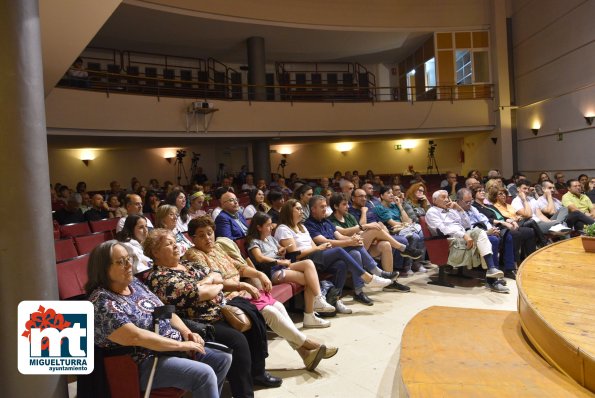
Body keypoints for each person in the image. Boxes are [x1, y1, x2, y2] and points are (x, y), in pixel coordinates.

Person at [185, 217, 337, 374]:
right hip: (226, 299)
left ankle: (304, 353)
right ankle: (311, 345)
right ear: (192, 238)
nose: (208, 238)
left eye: (210, 233)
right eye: (201, 235)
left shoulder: (217, 248)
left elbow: (240, 267)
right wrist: (239, 282)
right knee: (270, 312)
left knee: (277, 305)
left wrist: (259, 274)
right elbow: (213, 282)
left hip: (241, 291)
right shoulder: (194, 255)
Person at [86, 240, 232, 398]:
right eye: (120, 262)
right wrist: (180, 346)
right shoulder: (101, 302)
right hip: (140, 362)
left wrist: (187, 332)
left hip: (167, 350)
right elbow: (136, 336)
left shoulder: (134, 284)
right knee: (204, 374)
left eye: (128, 259)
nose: (129, 265)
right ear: (103, 269)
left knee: (222, 358)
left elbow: (164, 311)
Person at [143, 229, 274, 395]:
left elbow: (217, 275)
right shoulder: (159, 277)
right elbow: (201, 293)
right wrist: (212, 284)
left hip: (221, 310)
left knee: (254, 319)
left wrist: (212, 282)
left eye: (175, 242)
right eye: (169, 244)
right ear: (155, 252)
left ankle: (257, 374)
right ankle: (244, 393)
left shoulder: (187, 264)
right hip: (200, 322)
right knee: (237, 340)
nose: (176, 246)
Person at [246, 212, 337, 326]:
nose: (271, 227)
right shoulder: (254, 241)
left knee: (308, 263)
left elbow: (280, 250)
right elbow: (259, 258)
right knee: (309, 279)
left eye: (271, 224)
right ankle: (310, 315)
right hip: (272, 271)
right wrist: (278, 261)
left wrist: (281, 251)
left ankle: (318, 300)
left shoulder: (270, 239)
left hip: (283, 266)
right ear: (259, 227)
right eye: (268, 225)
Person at [304, 195, 393, 306]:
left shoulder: (326, 222)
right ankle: (373, 274)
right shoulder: (308, 224)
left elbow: (340, 236)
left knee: (354, 253)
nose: (325, 209)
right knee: (340, 250)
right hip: (321, 257)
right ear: (313, 209)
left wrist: (354, 240)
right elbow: (325, 242)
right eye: (322, 207)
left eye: (325, 206)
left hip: (335, 254)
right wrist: (349, 242)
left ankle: (350, 294)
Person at [327, 193, 419, 292]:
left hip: (360, 245)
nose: (347, 206)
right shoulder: (330, 220)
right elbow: (343, 233)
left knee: (386, 245)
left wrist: (370, 237)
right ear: (336, 206)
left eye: (347, 204)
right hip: (348, 248)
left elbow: (359, 231)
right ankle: (403, 248)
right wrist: (366, 228)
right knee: (374, 229)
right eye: (344, 204)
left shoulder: (349, 216)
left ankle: (390, 282)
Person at [274, 199, 352, 313]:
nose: (301, 211)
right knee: (338, 251)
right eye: (298, 208)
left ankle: (335, 299)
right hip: (300, 260)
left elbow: (313, 245)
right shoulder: (283, 229)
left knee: (341, 265)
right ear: (289, 211)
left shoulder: (302, 227)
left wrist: (320, 248)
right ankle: (366, 275)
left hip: (314, 256)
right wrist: (318, 248)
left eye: (301, 208)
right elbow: (295, 255)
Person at [425, 190, 508, 293]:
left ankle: (492, 270)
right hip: (448, 240)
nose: (446, 199)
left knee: (481, 233)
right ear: (434, 200)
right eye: (443, 197)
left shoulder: (451, 210)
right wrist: (464, 235)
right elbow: (443, 229)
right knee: (486, 239)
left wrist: (459, 209)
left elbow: (467, 224)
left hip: (463, 235)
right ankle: (493, 279)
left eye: (447, 197)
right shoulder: (432, 212)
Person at [456, 188, 517, 279]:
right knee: (494, 240)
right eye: (466, 202)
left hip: (485, 231)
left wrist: (492, 229)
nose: (469, 204)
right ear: (459, 201)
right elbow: (467, 227)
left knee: (507, 236)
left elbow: (484, 219)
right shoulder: (456, 211)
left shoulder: (472, 208)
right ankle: (494, 272)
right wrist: (487, 233)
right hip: (472, 235)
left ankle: (509, 269)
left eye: (470, 201)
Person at [473, 186, 537, 265]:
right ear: (474, 194)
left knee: (529, 231)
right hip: (496, 227)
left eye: (483, 190)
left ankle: (531, 259)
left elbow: (502, 216)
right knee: (516, 234)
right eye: (479, 191)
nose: (482, 192)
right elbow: (486, 219)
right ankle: (514, 263)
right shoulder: (475, 207)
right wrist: (503, 222)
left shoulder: (488, 205)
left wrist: (511, 221)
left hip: (505, 225)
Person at [374, 186, 427, 274]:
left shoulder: (395, 206)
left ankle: (414, 264)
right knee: (415, 237)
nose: (391, 195)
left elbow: (406, 219)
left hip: (403, 229)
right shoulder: (379, 208)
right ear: (381, 196)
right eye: (388, 193)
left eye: (391, 193)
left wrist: (399, 205)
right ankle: (407, 267)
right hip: (392, 231)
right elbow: (393, 223)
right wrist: (405, 224)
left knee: (419, 235)